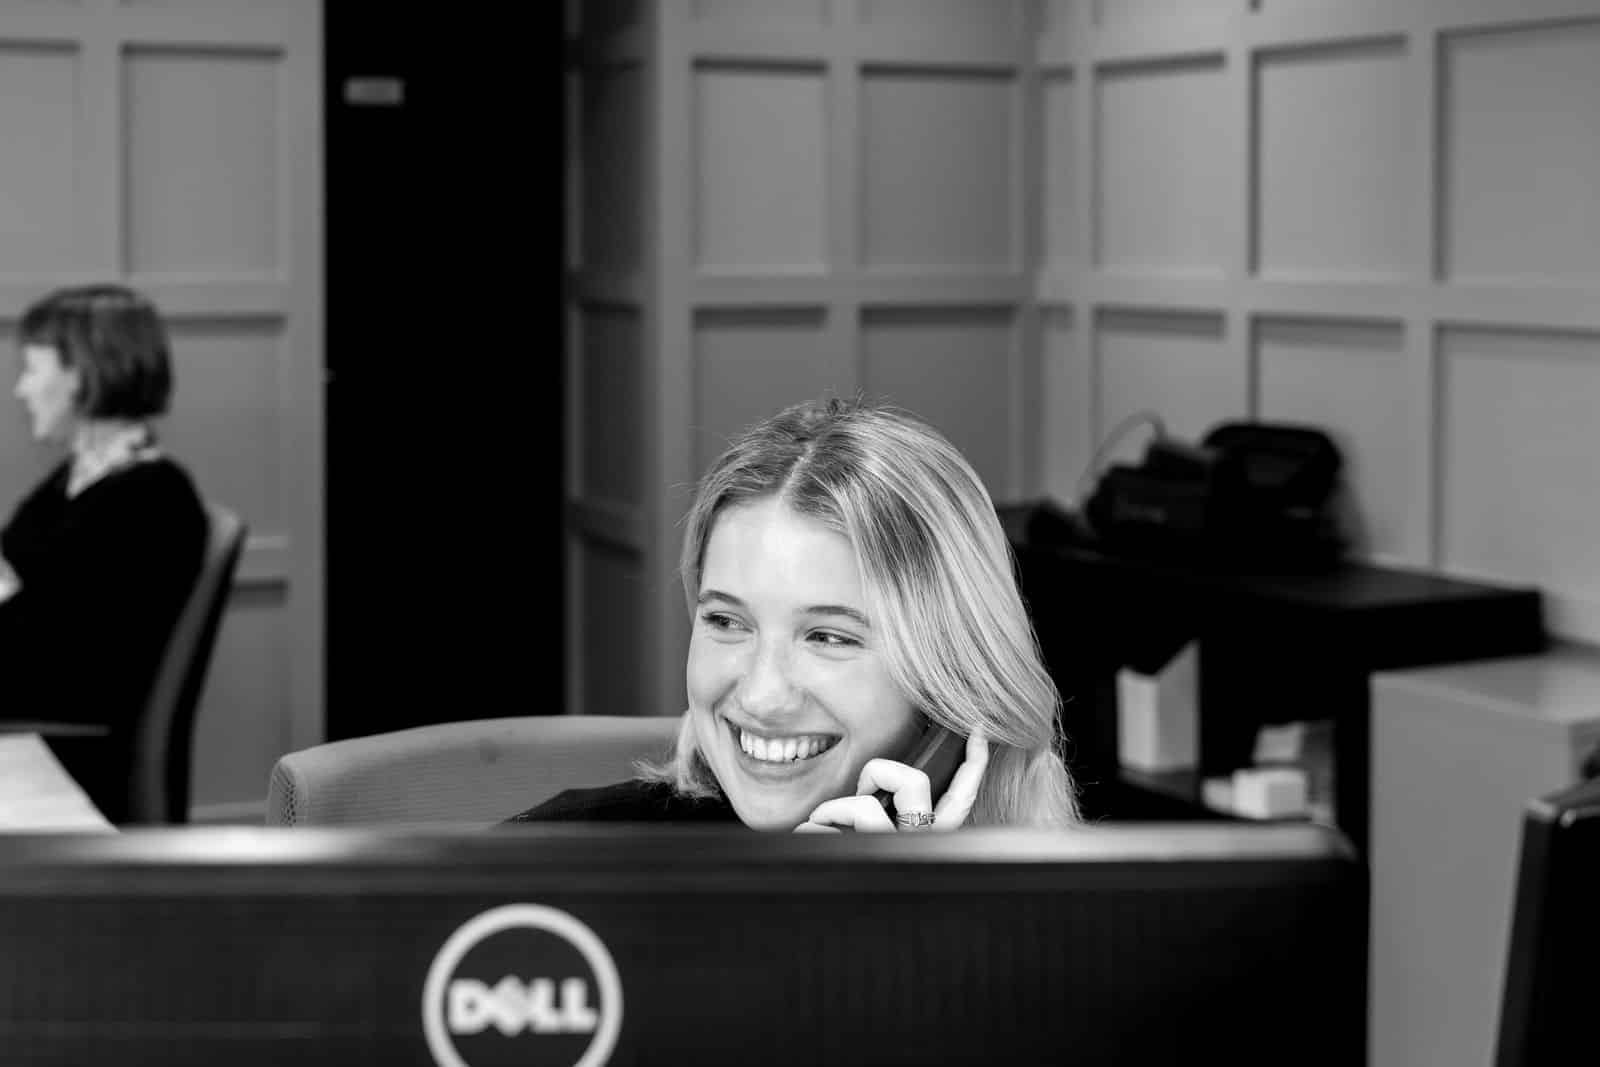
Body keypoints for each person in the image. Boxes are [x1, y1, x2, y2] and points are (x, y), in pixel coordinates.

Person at [507, 396, 1080, 831]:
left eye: (828, 637)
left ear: (951, 687)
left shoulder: (1056, 926)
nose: (761, 698)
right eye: (726, 622)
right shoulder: (554, 863)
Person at [1, 284, 208, 822]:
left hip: (65, 749)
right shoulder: (82, 477)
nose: (21, 389)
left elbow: (57, 656)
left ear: (82, 375)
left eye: (32, 369)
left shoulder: (150, 499)